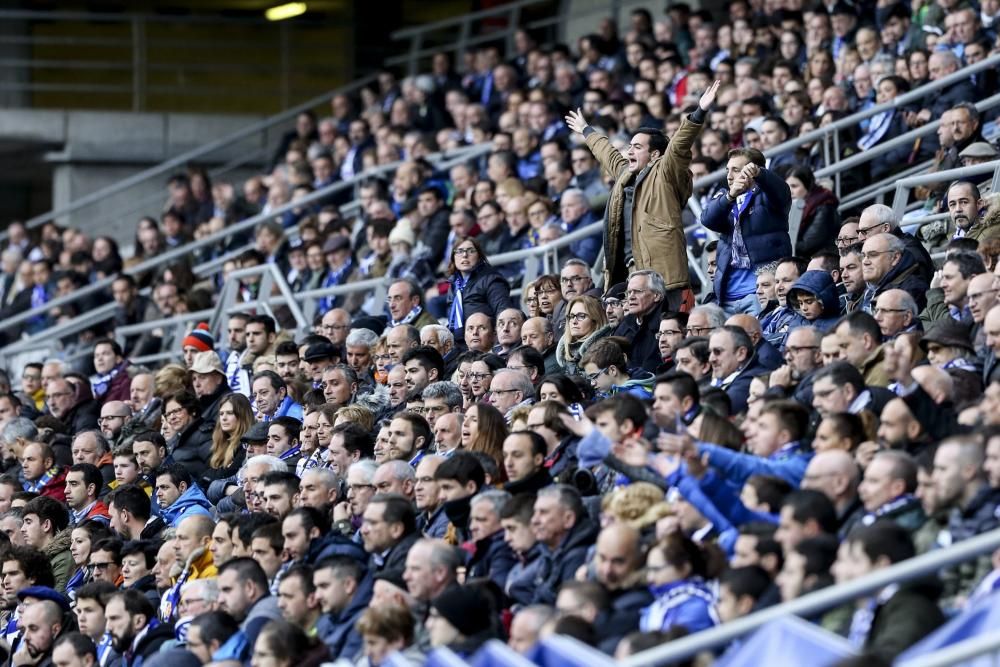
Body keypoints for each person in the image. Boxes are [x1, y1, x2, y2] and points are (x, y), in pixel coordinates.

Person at [565, 80, 721, 306]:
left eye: (637, 147)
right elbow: (607, 153)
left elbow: (679, 145)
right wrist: (586, 130)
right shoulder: (625, 174)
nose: (630, 150)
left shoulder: (665, 172)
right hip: (633, 276)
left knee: (675, 329)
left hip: (667, 279)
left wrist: (699, 112)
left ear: (656, 154)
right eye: (630, 145)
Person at [701, 147, 793, 316]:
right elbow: (707, 219)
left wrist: (762, 174)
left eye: (736, 170)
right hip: (726, 297)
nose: (729, 176)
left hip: (757, 294)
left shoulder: (767, 197)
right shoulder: (725, 197)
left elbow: (781, 191)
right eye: (727, 170)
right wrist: (730, 197)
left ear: (753, 171)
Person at [446, 237, 513, 339]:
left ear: (479, 256)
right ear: (453, 258)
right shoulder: (453, 284)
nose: (464, 255)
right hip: (459, 343)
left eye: (471, 251)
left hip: (484, 341)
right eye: (459, 251)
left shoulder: (492, 280)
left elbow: (504, 314)